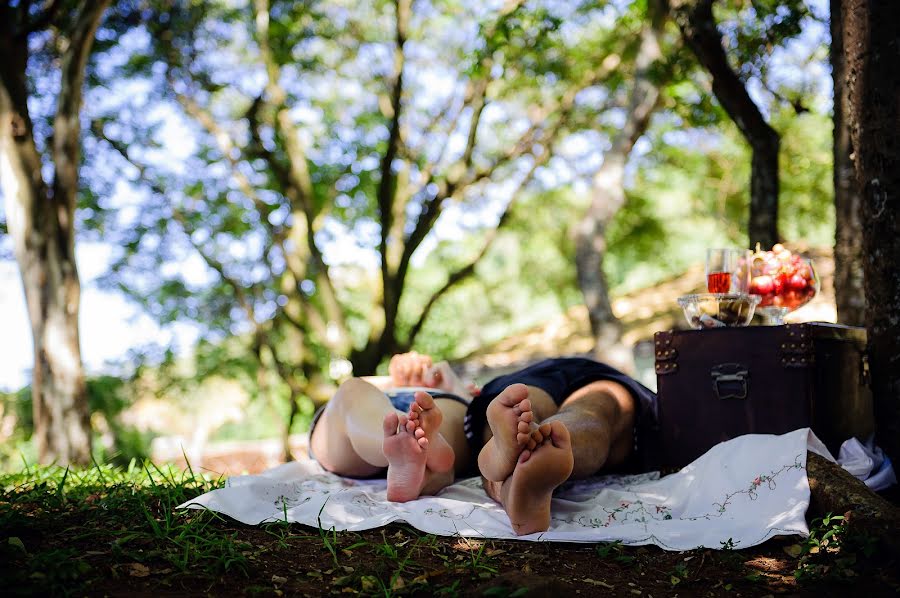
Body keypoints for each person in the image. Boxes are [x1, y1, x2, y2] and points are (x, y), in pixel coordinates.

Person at [309, 353, 657, 536]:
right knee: (592, 413)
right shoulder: (444, 394)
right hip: (441, 414)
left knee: (355, 396)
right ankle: (477, 472)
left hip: (440, 414)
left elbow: (359, 387)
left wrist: (437, 381)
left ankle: (431, 457)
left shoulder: (453, 393)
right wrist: (416, 379)